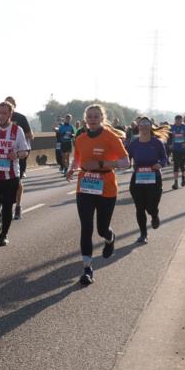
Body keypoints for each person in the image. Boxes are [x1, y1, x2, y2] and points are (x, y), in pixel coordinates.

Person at [67, 104, 129, 285]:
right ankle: (87, 269)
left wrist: (101, 164)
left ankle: (110, 238)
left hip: (106, 187)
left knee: (102, 229)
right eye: (90, 116)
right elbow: (78, 158)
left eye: (96, 116)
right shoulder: (80, 138)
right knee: (86, 228)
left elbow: (125, 162)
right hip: (85, 186)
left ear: (102, 118)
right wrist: (72, 169)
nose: (92, 119)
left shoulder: (110, 137)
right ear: (85, 119)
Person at [0, 101, 29, 247]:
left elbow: (25, 151)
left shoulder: (17, 130)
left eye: (4, 113)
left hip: (11, 175)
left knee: (7, 207)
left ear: (10, 114)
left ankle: (4, 235)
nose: (1, 116)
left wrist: (16, 154)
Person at [127, 117, 169, 244]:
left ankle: (154, 215)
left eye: (147, 124)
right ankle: (143, 234)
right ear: (138, 127)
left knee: (151, 207)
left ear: (150, 126)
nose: (144, 126)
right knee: (140, 208)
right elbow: (126, 159)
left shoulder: (157, 143)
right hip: (138, 179)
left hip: (154, 179)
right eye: (141, 124)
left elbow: (164, 158)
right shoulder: (133, 144)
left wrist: (160, 164)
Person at [3, 97, 33, 220]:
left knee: (17, 181)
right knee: (3, 181)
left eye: (10, 104)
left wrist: (17, 135)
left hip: (20, 153)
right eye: (6, 103)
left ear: (14, 106)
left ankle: (18, 207)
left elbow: (31, 135)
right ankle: (5, 206)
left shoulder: (21, 118)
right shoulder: (1, 118)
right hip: (4, 154)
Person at [168, 115, 185, 190]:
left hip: (184, 150)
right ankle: (175, 183)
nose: (178, 122)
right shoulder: (172, 127)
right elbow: (168, 136)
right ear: (175, 120)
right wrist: (170, 144)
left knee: (182, 165)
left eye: (179, 121)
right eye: (177, 121)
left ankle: (183, 178)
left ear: (181, 120)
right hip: (175, 150)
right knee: (176, 165)